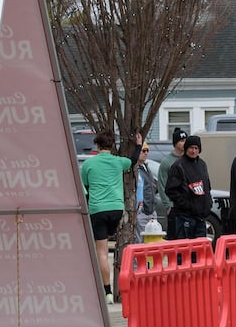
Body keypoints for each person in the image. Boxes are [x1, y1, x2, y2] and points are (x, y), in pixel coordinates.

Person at [78, 129, 144, 303]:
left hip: (98, 209)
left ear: (97, 145)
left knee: (101, 251)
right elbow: (133, 160)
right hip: (117, 209)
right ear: (112, 146)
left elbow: (85, 186)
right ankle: (125, 284)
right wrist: (138, 145)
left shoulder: (88, 165)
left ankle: (107, 291)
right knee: (119, 242)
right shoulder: (118, 162)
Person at [163, 134, 213, 239]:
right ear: (186, 148)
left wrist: (208, 204)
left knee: (199, 252)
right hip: (185, 217)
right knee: (185, 252)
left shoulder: (202, 164)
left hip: (201, 218)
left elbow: (207, 186)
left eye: (196, 148)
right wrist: (187, 205)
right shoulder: (178, 166)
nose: (193, 151)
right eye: (191, 148)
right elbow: (171, 190)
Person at [157, 128, 188, 237]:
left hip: (187, 206)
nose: (184, 143)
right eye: (182, 140)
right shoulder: (167, 162)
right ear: (176, 143)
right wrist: (168, 205)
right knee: (174, 236)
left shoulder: (189, 160)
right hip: (174, 207)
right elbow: (162, 184)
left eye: (186, 140)